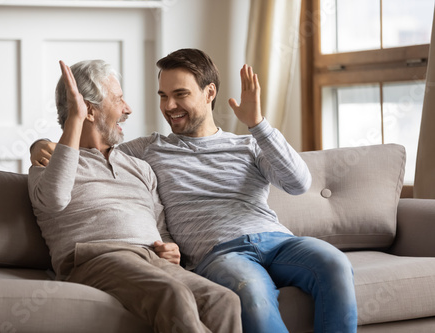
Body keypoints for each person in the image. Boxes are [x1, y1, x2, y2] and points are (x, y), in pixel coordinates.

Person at [31, 49, 358, 333]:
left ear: (209, 93)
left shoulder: (242, 145)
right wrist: (45, 142)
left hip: (270, 239)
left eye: (180, 94)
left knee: (324, 267)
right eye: (162, 95)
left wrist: (258, 124)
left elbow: (298, 184)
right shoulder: (149, 150)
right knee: (242, 291)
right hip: (210, 254)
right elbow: (76, 164)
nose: (167, 105)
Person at [28, 59, 242, 333]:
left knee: (223, 300)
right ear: (89, 111)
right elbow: (54, 199)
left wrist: (169, 248)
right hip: (97, 259)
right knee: (172, 294)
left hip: (150, 258)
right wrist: (74, 118)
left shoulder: (139, 166)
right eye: (118, 100)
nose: (128, 109)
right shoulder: (49, 166)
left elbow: (161, 228)